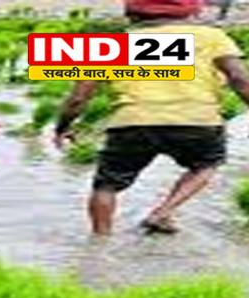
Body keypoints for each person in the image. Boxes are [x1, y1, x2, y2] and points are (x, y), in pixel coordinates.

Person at [56, 0, 249, 235]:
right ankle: (162, 212)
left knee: (106, 186)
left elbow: (79, 97)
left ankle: (99, 244)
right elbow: (239, 79)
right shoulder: (212, 37)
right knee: (206, 164)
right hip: (197, 120)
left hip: (131, 122)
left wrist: (62, 126)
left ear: (132, 15)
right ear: (191, 11)